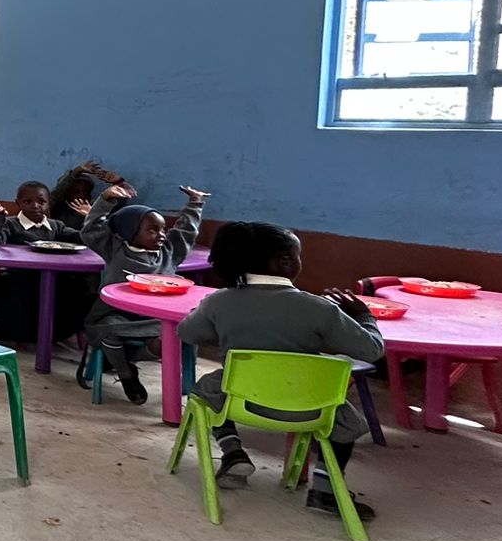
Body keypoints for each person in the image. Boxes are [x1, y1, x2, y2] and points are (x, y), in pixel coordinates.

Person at [178, 222, 386, 520]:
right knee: (344, 420)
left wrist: (222, 326)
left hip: (240, 402)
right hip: (310, 407)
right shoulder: (320, 309)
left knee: (207, 389)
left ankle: (232, 450)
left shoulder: (218, 302)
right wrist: (365, 317)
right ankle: (325, 491)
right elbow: (371, 350)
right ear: (286, 262)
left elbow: (188, 333)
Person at [81, 180, 209, 405]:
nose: (161, 235)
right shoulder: (115, 248)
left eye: (162, 229)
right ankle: (126, 374)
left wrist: (195, 203)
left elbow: (185, 232)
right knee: (108, 330)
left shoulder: (169, 252)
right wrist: (106, 199)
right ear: (129, 232)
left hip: (155, 319)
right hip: (114, 314)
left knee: (169, 339)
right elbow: (91, 228)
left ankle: (123, 359)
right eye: (152, 230)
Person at [0, 180, 90, 346]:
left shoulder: (55, 226)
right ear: (18, 203)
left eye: (41, 202)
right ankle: (13, 332)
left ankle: (54, 333)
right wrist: (0, 218)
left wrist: (91, 218)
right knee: (7, 284)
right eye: (27, 202)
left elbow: (83, 239)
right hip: (21, 276)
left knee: (79, 288)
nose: (35, 206)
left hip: (53, 277)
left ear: (48, 203)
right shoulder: (11, 224)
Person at [50, 159, 125, 224]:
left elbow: (119, 202)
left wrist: (118, 182)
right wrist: (77, 171)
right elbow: (55, 195)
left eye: (86, 191)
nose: (82, 195)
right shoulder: (60, 210)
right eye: (76, 192)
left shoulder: (96, 208)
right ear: (68, 194)